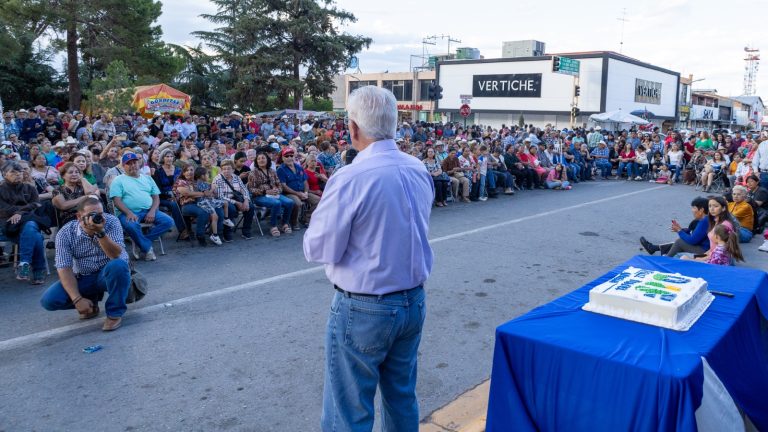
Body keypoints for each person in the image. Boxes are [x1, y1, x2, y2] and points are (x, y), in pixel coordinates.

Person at [304, 86, 432, 432]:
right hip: (412, 299)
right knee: (401, 397)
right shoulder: (417, 168)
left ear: (353, 128)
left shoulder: (351, 176)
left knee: (348, 410)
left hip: (365, 307)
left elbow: (319, 248)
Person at [40, 196, 131, 331]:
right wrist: (77, 299)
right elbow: (64, 268)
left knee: (118, 265)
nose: (97, 218)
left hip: (109, 273)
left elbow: (115, 255)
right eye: (92, 215)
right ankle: (90, 303)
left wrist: (100, 233)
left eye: (100, 214)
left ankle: (114, 314)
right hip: (84, 276)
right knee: (49, 300)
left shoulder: (111, 221)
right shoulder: (65, 233)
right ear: (78, 216)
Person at [109, 153, 174, 261]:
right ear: (123, 166)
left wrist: (152, 211)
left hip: (148, 210)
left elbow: (156, 197)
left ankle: (143, 243)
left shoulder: (147, 178)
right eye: (128, 164)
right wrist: (129, 213)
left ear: (139, 163)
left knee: (169, 222)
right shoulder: (118, 180)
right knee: (132, 226)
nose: (132, 165)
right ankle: (147, 248)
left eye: (134, 162)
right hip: (127, 212)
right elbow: (117, 201)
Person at [0, 161, 48, 283]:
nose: (18, 175)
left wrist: (19, 213)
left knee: (31, 226)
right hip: (9, 225)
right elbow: (3, 209)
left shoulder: (30, 188)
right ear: (4, 174)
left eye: (20, 172)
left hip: (29, 221)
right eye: (13, 172)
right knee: (35, 234)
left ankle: (25, 263)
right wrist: (21, 211)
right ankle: (38, 270)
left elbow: (36, 204)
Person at [639, 197, 710, 257]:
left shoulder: (704, 221)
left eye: (694, 208)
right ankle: (655, 249)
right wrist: (681, 229)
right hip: (702, 247)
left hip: (703, 251)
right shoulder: (703, 220)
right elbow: (694, 233)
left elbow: (692, 240)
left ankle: (666, 260)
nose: (692, 210)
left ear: (701, 210)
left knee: (679, 242)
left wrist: (679, 231)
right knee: (679, 242)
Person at [174, 165, 226, 247]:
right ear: (183, 173)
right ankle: (200, 235)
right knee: (204, 212)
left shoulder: (197, 181)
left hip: (201, 202)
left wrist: (211, 188)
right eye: (186, 170)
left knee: (219, 209)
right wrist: (203, 194)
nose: (189, 172)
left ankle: (217, 233)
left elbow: (210, 189)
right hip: (187, 205)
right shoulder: (181, 182)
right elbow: (187, 193)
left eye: (191, 170)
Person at [247, 152, 294, 237]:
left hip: (274, 194)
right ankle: (273, 226)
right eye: (259, 159)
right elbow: (251, 189)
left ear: (267, 160)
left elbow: (279, 184)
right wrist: (265, 191)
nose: (261, 160)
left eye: (263, 158)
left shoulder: (272, 171)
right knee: (276, 203)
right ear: (256, 161)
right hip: (259, 196)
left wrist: (277, 190)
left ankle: (285, 224)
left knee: (290, 202)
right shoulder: (253, 173)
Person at [213, 159, 256, 240]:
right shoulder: (217, 179)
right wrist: (237, 203)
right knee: (231, 209)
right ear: (221, 170)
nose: (226, 171)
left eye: (229, 169)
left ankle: (246, 231)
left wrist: (246, 201)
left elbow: (244, 189)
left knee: (250, 207)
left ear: (233, 169)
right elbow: (220, 196)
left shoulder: (236, 177)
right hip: (225, 201)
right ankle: (227, 232)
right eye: (224, 169)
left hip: (236, 198)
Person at [277, 147, 320, 228]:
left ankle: (306, 218)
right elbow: (284, 186)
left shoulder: (298, 167)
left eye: (291, 155)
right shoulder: (280, 170)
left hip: (302, 192)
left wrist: (306, 192)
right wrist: (298, 194)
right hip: (289, 193)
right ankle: (294, 222)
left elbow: (305, 181)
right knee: (297, 203)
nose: (289, 157)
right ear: (282, 158)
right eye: (286, 156)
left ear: (294, 157)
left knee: (318, 201)